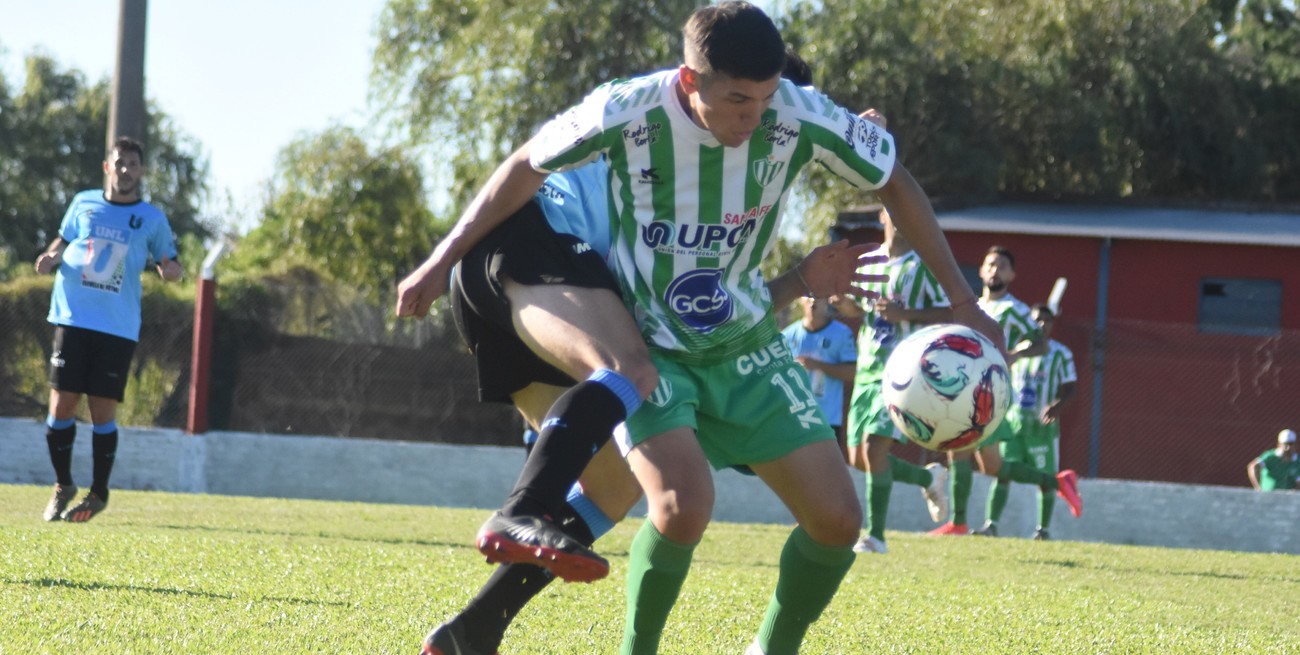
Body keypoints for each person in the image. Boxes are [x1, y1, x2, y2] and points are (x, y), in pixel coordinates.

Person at [402, 4, 1003, 652]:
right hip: (584, 289)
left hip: (708, 337)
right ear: (691, 82)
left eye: (769, 101)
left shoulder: (793, 122)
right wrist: (438, 260)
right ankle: (539, 532)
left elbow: (877, 187)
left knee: (801, 513)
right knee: (662, 456)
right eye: (740, 101)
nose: (758, 121)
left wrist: (956, 302)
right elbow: (529, 166)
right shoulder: (630, 114)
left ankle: (479, 624)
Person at [34, 136, 183, 523]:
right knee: (60, 407)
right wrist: (51, 255)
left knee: (102, 410)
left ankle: (98, 493)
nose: (125, 170)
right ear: (107, 167)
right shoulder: (83, 202)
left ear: (142, 171)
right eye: (119, 163)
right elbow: (64, 238)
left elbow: (170, 262)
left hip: (116, 327)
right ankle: (62, 485)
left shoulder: (151, 218)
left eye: (132, 164)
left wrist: (171, 271)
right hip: (72, 317)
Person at [930, 246, 1083, 536]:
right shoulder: (972, 307)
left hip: (992, 390)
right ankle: (1057, 482)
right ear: (981, 270)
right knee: (989, 465)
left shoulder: (1015, 309)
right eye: (990, 264)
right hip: (966, 387)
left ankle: (959, 523)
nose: (995, 270)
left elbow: (1041, 344)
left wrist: (1013, 355)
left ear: (1012, 275)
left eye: (1002, 266)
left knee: (962, 452)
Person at [830, 206, 953, 555]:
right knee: (859, 459)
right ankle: (928, 478)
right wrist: (844, 304)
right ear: (882, 217)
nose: (898, 215)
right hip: (867, 370)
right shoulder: (869, 263)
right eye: (891, 210)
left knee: (874, 450)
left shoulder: (921, 266)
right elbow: (860, 309)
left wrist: (906, 314)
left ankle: (876, 537)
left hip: (902, 372)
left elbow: (949, 310)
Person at [974, 303, 1077, 539]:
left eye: (1047, 320)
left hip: (1042, 427)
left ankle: (1043, 530)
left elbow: (1071, 389)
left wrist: (1056, 406)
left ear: (1053, 324)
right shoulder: (1016, 351)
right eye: (1037, 320)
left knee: (1045, 478)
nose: (1041, 324)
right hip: (1014, 423)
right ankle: (991, 525)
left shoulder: (1060, 353)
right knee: (1003, 473)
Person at [780, 296, 857, 458]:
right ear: (800, 300)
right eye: (808, 295)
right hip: (794, 417)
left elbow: (852, 372)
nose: (813, 300)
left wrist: (818, 365)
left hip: (827, 418)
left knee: (828, 468)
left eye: (817, 296)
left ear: (827, 300)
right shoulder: (787, 335)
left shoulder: (841, 333)